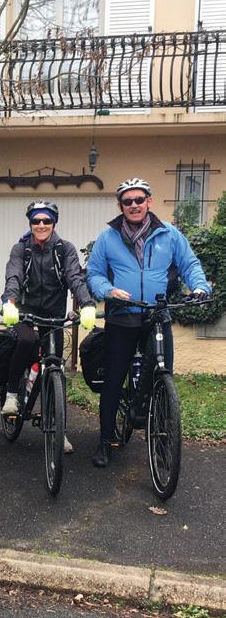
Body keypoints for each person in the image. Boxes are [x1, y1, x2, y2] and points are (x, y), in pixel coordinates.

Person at [86, 177, 211, 468]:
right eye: (127, 201)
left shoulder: (169, 234)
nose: (134, 205)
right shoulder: (108, 237)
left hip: (157, 315)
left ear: (149, 202)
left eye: (139, 200)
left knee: (162, 376)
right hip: (122, 317)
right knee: (114, 379)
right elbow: (94, 273)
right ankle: (105, 440)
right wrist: (108, 290)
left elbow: (189, 264)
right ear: (121, 206)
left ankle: (163, 441)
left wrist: (199, 286)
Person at [0, 200, 97, 453]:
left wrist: (87, 304)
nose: (41, 225)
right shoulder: (21, 249)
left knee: (56, 369)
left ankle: (58, 430)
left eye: (46, 220)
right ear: (30, 223)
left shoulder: (64, 249)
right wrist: (9, 302)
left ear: (54, 223)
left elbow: (74, 277)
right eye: (36, 220)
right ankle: (12, 394)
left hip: (53, 315)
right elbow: (14, 275)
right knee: (26, 341)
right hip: (25, 312)